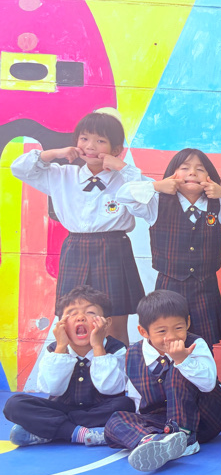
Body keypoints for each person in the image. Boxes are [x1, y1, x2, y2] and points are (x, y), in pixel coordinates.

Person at [11, 108, 144, 344]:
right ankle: (75, 367)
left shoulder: (125, 178)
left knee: (114, 325)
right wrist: (54, 153)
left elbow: (148, 193)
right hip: (76, 249)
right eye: (84, 138)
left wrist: (122, 167)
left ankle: (118, 368)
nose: (90, 146)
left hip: (113, 249)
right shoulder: (62, 175)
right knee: (72, 320)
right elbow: (19, 168)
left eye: (100, 141)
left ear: (115, 149)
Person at [118, 148, 221, 348]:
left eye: (200, 169)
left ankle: (204, 369)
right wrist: (156, 186)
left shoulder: (220, 205)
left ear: (210, 178)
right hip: (168, 286)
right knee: (166, 342)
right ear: (172, 174)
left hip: (205, 287)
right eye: (184, 168)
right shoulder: (156, 202)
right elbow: (123, 196)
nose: (192, 173)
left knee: (203, 344)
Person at [104, 290, 221, 472]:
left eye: (178, 328)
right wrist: (142, 424)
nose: (171, 336)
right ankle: (151, 440)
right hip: (164, 421)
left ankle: (185, 438)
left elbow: (209, 384)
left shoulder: (196, 344)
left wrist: (182, 360)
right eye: (162, 331)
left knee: (177, 372)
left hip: (207, 416)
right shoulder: (133, 354)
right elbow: (137, 398)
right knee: (115, 420)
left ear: (188, 323)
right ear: (143, 331)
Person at [4, 286, 132, 447]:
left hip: (100, 410)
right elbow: (53, 389)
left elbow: (110, 388)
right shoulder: (54, 350)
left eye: (90, 312)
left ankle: (50, 431)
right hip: (62, 409)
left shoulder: (116, 349)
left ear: (106, 323)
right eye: (71, 313)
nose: (80, 318)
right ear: (60, 324)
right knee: (14, 404)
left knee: (126, 405)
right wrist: (61, 347)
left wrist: (98, 347)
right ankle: (79, 433)